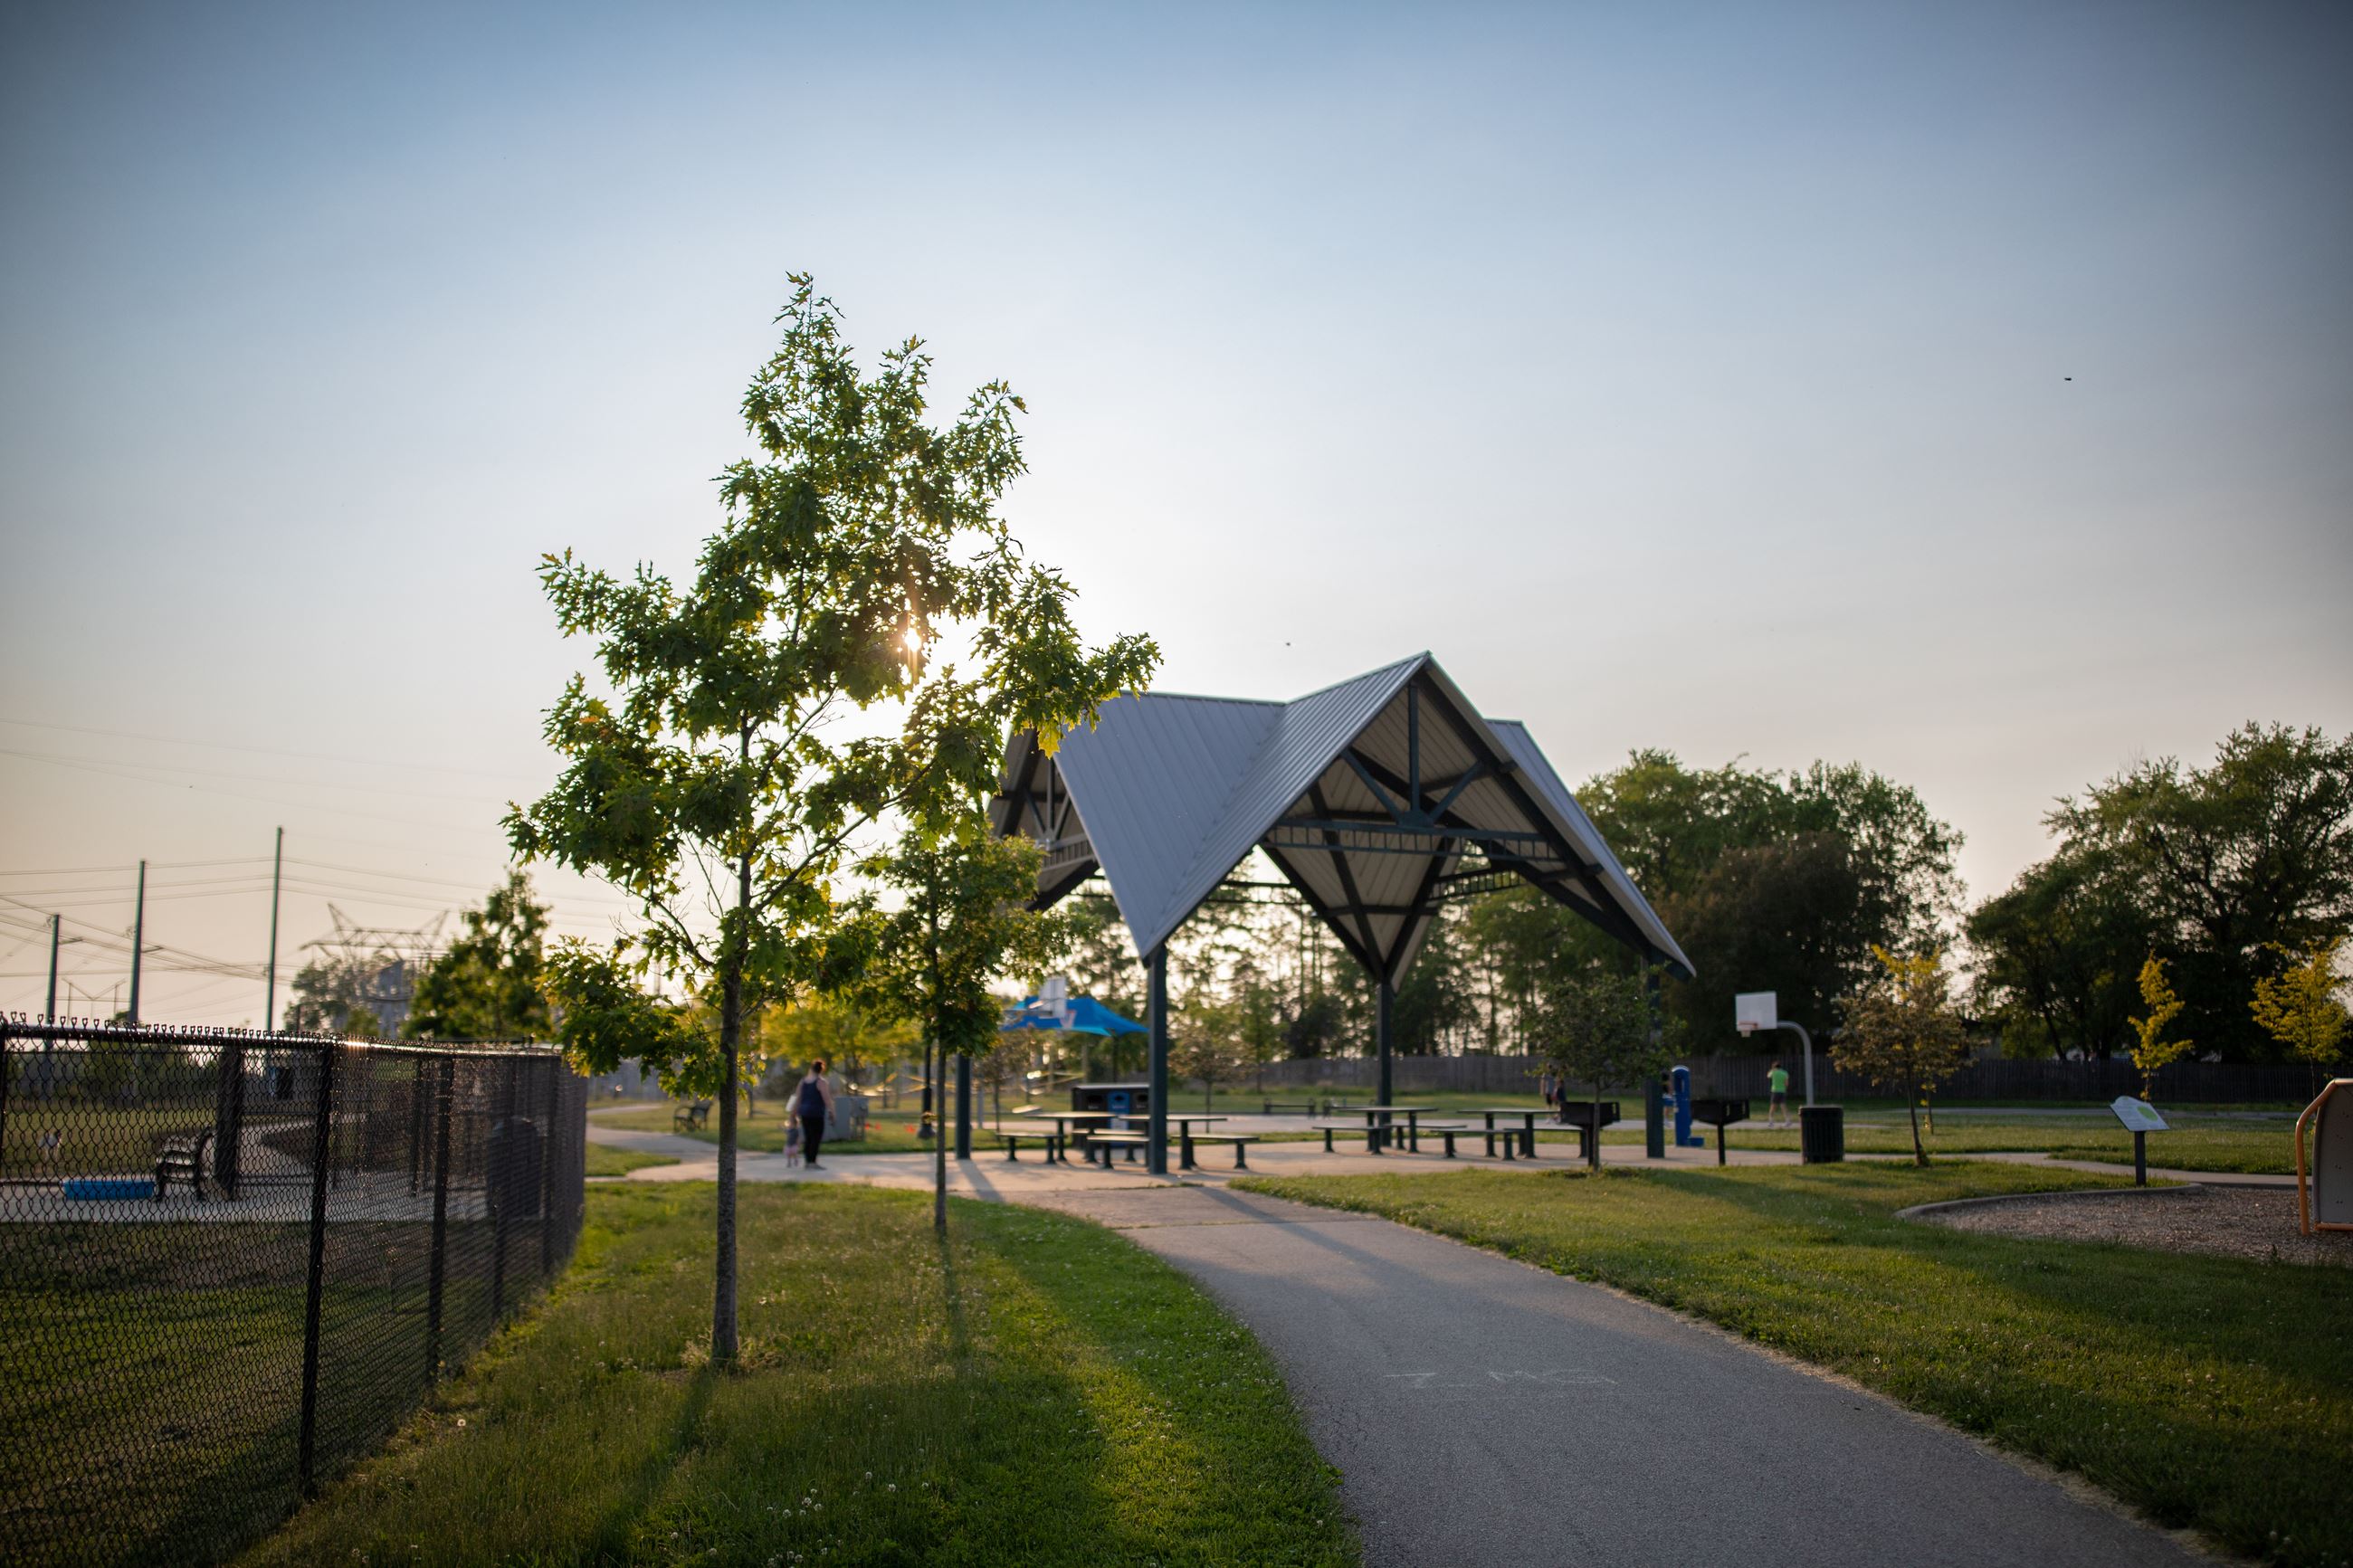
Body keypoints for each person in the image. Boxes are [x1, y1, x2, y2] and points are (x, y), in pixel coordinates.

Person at [795, 1059, 836, 1169]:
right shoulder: (821, 1082)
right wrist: (832, 1112)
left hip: (804, 1113)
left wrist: (793, 1114)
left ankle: (807, 1161)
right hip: (816, 1113)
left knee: (808, 1137)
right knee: (816, 1137)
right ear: (821, 1070)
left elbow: (798, 1098)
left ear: (811, 1068)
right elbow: (827, 1099)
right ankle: (812, 1162)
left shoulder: (803, 1081)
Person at [1767, 1060, 1790, 1128]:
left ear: (1774, 1067)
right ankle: (1787, 1121)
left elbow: (1768, 1076)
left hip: (1775, 1091)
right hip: (1782, 1091)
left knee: (1772, 1107)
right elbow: (1786, 1083)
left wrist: (1772, 1070)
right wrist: (1785, 1089)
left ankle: (1771, 1122)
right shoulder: (1785, 1073)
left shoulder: (1773, 1072)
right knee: (1783, 1106)